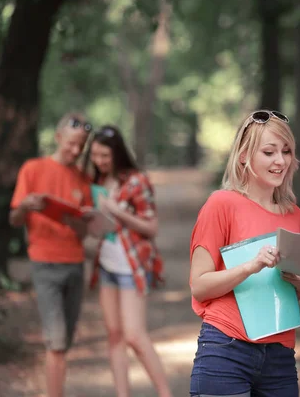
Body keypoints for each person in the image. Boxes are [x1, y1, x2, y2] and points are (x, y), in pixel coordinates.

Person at [189, 110, 300, 397]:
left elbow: (293, 292)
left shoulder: (295, 216)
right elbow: (199, 286)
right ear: (243, 156)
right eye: (269, 152)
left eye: (286, 151)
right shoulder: (222, 204)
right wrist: (249, 266)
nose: (280, 161)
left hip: (279, 358)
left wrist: (298, 281)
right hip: (226, 350)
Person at [82, 124, 172, 397]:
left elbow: (151, 227)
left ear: (117, 154)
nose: (99, 161)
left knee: (134, 335)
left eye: (105, 156)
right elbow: (99, 228)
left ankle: (165, 392)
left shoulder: (136, 181)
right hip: (107, 265)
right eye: (95, 155)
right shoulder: (96, 183)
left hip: (132, 266)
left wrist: (115, 211)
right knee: (114, 335)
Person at [9, 112, 94, 397]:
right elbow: (14, 219)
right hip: (44, 262)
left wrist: (80, 222)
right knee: (56, 343)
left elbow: (85, 232)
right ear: (58, 138)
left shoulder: (82, 179)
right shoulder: (33, 169)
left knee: (65, 342)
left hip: (74, 264)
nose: (75, 150)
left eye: (80, 145)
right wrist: (26, 207)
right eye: (71, 143)